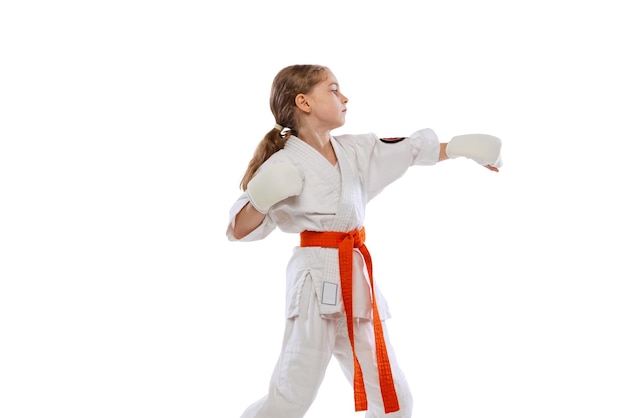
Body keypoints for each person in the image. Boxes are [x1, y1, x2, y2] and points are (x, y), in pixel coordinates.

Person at [226, 64, 502, 418]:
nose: (344, 97)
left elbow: (410, 150)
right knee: (290, 399)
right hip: (314, 285)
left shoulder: (356, 151)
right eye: (333, 89)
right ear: (304, 102)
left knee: (394, 403)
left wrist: (464, 148)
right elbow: (238, 229)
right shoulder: (283, 164)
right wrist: (262, 197)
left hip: (355, 280)